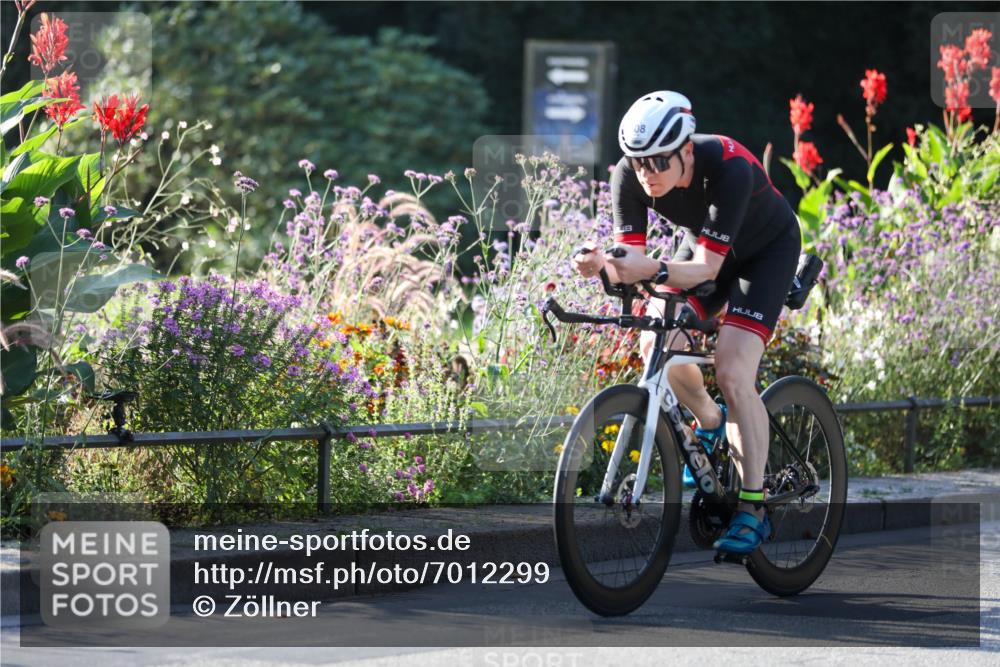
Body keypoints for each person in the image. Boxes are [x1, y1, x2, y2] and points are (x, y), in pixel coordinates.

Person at [572, 91, 801, 555]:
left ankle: (752, 507)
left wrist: (651, 269)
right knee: (656, 341)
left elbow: (706, 272)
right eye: (639, 162)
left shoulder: (730, 167)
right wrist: (600, 263)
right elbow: (631, 260)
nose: (647, 173)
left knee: (734, 371)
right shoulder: (629, 176)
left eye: (659, 161)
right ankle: (710, 421)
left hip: (764, 255)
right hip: (702, 251)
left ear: (687, 150)